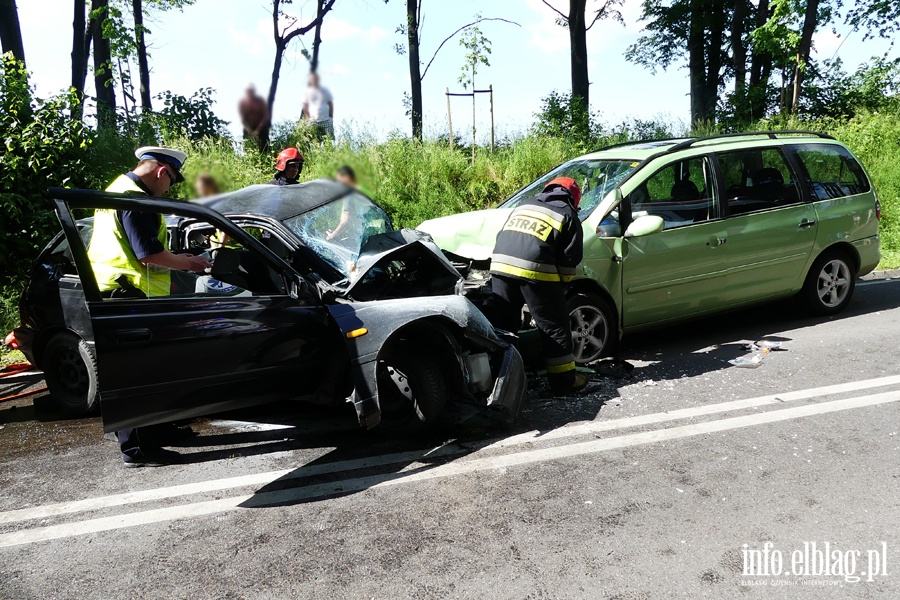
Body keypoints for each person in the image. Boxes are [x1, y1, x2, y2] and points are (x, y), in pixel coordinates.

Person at [87, 146, 211, 467]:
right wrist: (189, 263)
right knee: (133, 374)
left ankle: (157, 430)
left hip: (120, 291)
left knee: (151, 369)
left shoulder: (117, 188)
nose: (169, 189)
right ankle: (136, 448)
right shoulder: (135, 200)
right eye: (171, 181)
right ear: (161, 172)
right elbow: (148, 254)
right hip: (127, 295)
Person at [484, 177, 590, 396]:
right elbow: (570, 261)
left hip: (500, 266)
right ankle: (564, 382)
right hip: (535, 271)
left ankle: (499, 381)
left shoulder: (525, 205)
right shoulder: (568, 215)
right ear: (574, 198)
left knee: (503, 326)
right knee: (554, 327)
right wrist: (561, 289)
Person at [301, 71, 334, 141]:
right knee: (313, 140)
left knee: (329, 140)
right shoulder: (307, 92)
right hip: (313, 121)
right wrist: (308, 119)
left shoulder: (325, 90)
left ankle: (328, 151)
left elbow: (330, 103)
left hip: (326, 120)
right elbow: (305, 106)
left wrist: (331, 116)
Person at [238, 85, 270, 150]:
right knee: (249, 146)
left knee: (264, 147)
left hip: (262, 128)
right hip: (248, 128)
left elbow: (265, 116)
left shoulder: (260, 101)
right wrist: (250, 131)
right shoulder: (243, 103)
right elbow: (243, 119)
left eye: (251, 92)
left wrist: (257, 130)